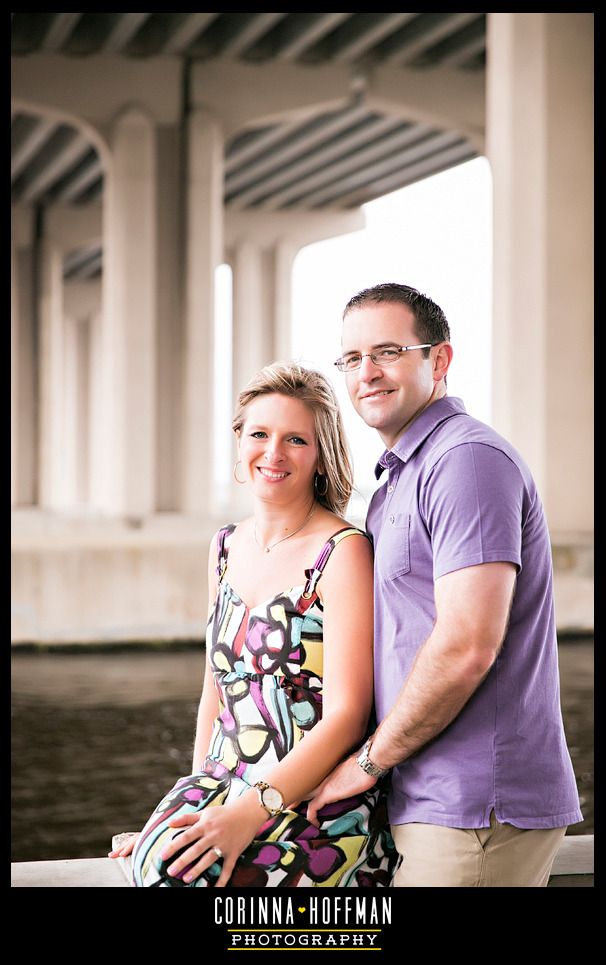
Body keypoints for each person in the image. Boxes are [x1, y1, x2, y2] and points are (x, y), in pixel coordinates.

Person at [307, 282, 583, 888]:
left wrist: (368, 762)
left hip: (475, 806)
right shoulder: (397, 482)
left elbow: (467, 646)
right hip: (427, 796)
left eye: (388, 351)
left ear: (439, 360)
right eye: (352, 359)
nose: (367, 373)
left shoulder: (467, 461)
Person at [110, 361, 398, 887]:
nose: (274, 453)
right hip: (222, 783)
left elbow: (348, 718)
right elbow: (214, 694)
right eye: (260, 434)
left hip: (307, 802)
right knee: (163, 863)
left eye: (296, 440)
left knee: (198, 881)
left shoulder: (343, 552)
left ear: (320, 457)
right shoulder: (224, 545)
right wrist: (183, 808)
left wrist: (247, 814)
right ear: (239, 440)